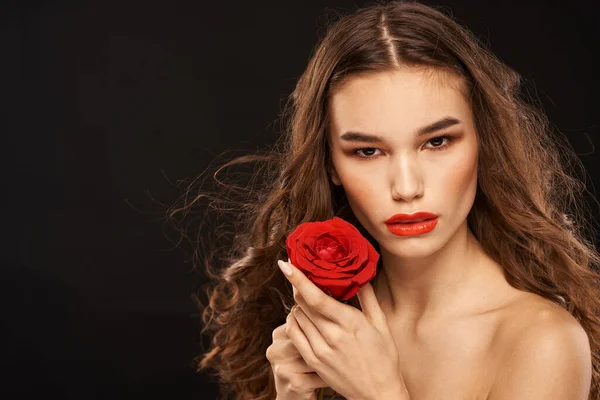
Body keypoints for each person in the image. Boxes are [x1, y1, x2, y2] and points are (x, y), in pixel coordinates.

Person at [165, 1, 600, 399]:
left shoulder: (543, 342)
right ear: (331, 164)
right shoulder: (324, 335)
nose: (406, 187)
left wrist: (381, 393)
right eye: (367, 151)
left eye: (437, 141)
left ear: (483, 143)